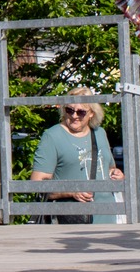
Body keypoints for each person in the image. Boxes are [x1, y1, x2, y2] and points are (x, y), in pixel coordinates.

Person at [29, 88, 123, 224]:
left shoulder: (100, 133)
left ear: (91, 113)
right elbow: (37, 185)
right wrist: (72, 191)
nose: (74, 116)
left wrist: (116, 174)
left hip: (108, 218)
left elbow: (108, 168)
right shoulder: (52, 136)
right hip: (71, 222)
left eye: (81, 112)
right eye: (69, 110)